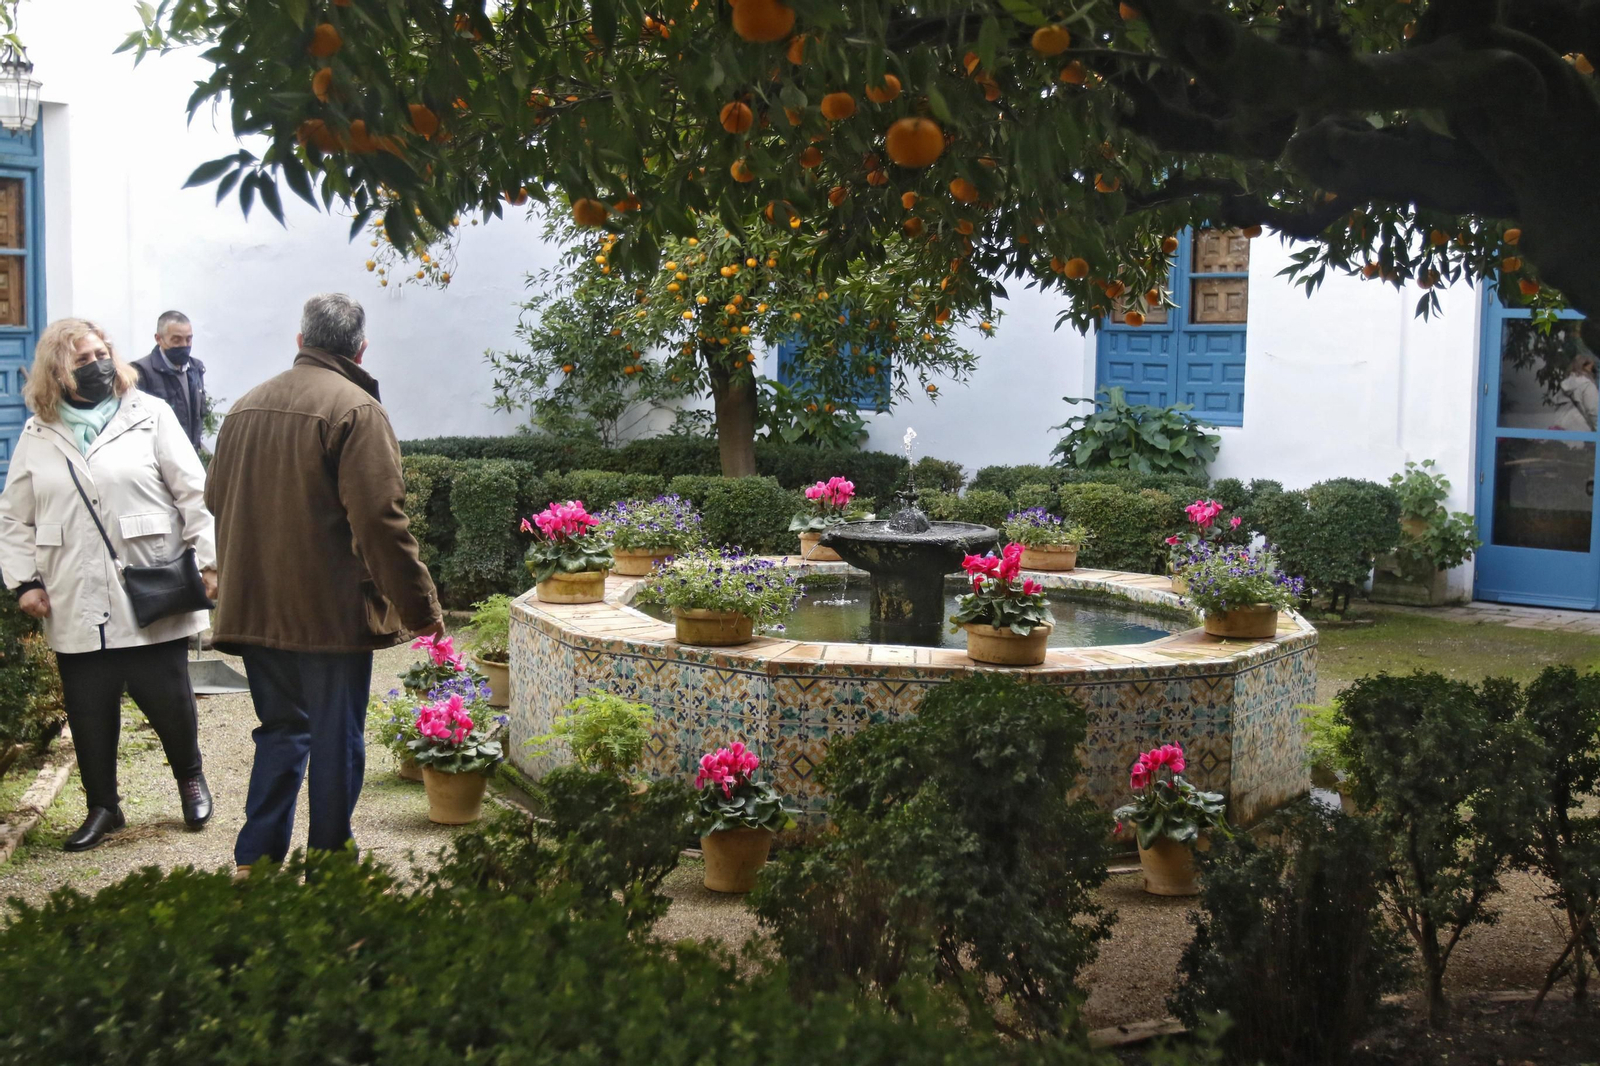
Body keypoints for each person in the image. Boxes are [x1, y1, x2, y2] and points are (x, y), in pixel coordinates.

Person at [207, 293, 442, 873]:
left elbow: (215, 501)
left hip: (257, 608)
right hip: (330, 614)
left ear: (300, 342)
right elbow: (381, 523)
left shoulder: (242, 408)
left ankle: (255, 859)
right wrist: (421, 609)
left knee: (282, 731)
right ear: (360, 348)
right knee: (336, 740)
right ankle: (330, 861)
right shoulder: (357, 410)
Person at [0, 319, 217, 851]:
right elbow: (14, 517)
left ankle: (191, 780)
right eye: (82, 359)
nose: (97, 364)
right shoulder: (38, 432)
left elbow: (195, 493)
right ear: (58, 372)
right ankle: (104, 807)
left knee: (168, 697)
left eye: (102, 353)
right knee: (89, 706)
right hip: (72, 587)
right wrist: (24, 581)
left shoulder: (151, 414)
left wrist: (210, 563)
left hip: (148, 580)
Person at [132, 310, 206, 454]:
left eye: (188, 339)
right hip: (158, 459)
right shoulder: (141, 372)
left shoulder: (196, 369)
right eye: (176, 340)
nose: (184, 345)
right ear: (159, 339)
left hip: (189, 457)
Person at [1550, 347, 1599, 435]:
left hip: (1561, 433)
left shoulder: (1566, 384)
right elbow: (1593, 411)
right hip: (1582, 435)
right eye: (1593, 369)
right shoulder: (1587, 385)